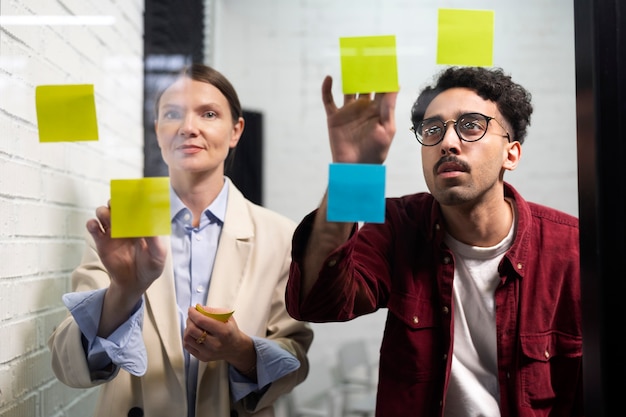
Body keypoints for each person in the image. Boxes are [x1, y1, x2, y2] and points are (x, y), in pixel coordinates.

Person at [285, 66, 582, 416]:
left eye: (471, 125)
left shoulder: (571, 248)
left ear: (511, 154)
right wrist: (354, 171)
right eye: (433, 130)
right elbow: (318, 303)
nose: (447, 142)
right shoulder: (399, 225)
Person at [48, 63, 313, 417]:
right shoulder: (121, 223)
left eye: (208, 113)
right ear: (158, 131)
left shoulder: (280, 235)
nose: (189, 128)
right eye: (173, 114)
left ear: (236, 130)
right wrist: (122, 293)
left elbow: (295, 358)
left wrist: (242, 351)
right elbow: (67, 365)